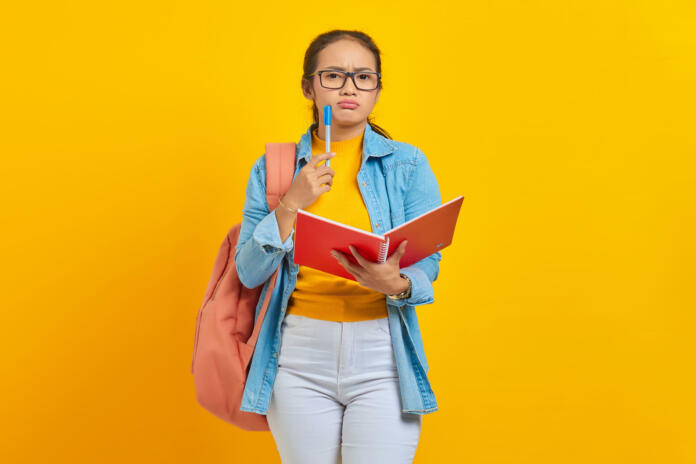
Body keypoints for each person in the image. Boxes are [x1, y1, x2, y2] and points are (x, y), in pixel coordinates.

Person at [235, 29, 443, 464]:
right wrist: (292, 203)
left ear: (377, 89)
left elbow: (428, 262)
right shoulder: (275, 166)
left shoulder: (407, 163)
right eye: (334, 75)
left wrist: (400, 283)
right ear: (308, 87)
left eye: (363, 77)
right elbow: (249, 272)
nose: (350, 87)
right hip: (296, 356)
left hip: (382, 354)